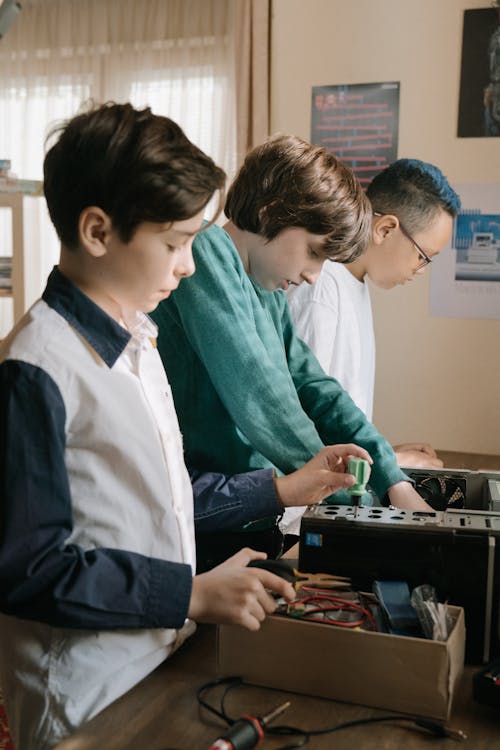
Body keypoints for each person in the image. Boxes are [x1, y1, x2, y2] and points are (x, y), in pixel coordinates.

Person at [0, 103, 370, 750]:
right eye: (175, 243)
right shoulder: (37, 368)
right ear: (96, 231)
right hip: (83, 696)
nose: (190, 266)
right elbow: (29, 569)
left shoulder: (136, 343)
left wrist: (279, 490)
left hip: (152, 658)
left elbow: (161, 494)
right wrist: (191, 594)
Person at [151, 134, 434, 563]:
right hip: (205, 518)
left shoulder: (266, 290)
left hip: (250, 515)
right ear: (269, 214)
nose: (314, 275)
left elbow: (315, 385)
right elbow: (261, 392)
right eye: (315, 253)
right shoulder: (207, 255)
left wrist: (394, 481)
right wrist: (354, 498)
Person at [287, 158, 461, 469]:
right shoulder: (321, 287)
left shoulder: (354, 282)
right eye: (424, 257)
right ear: (385, 229)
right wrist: (390, 460)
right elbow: (300, 429)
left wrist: (382, 449)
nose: (420, 271)